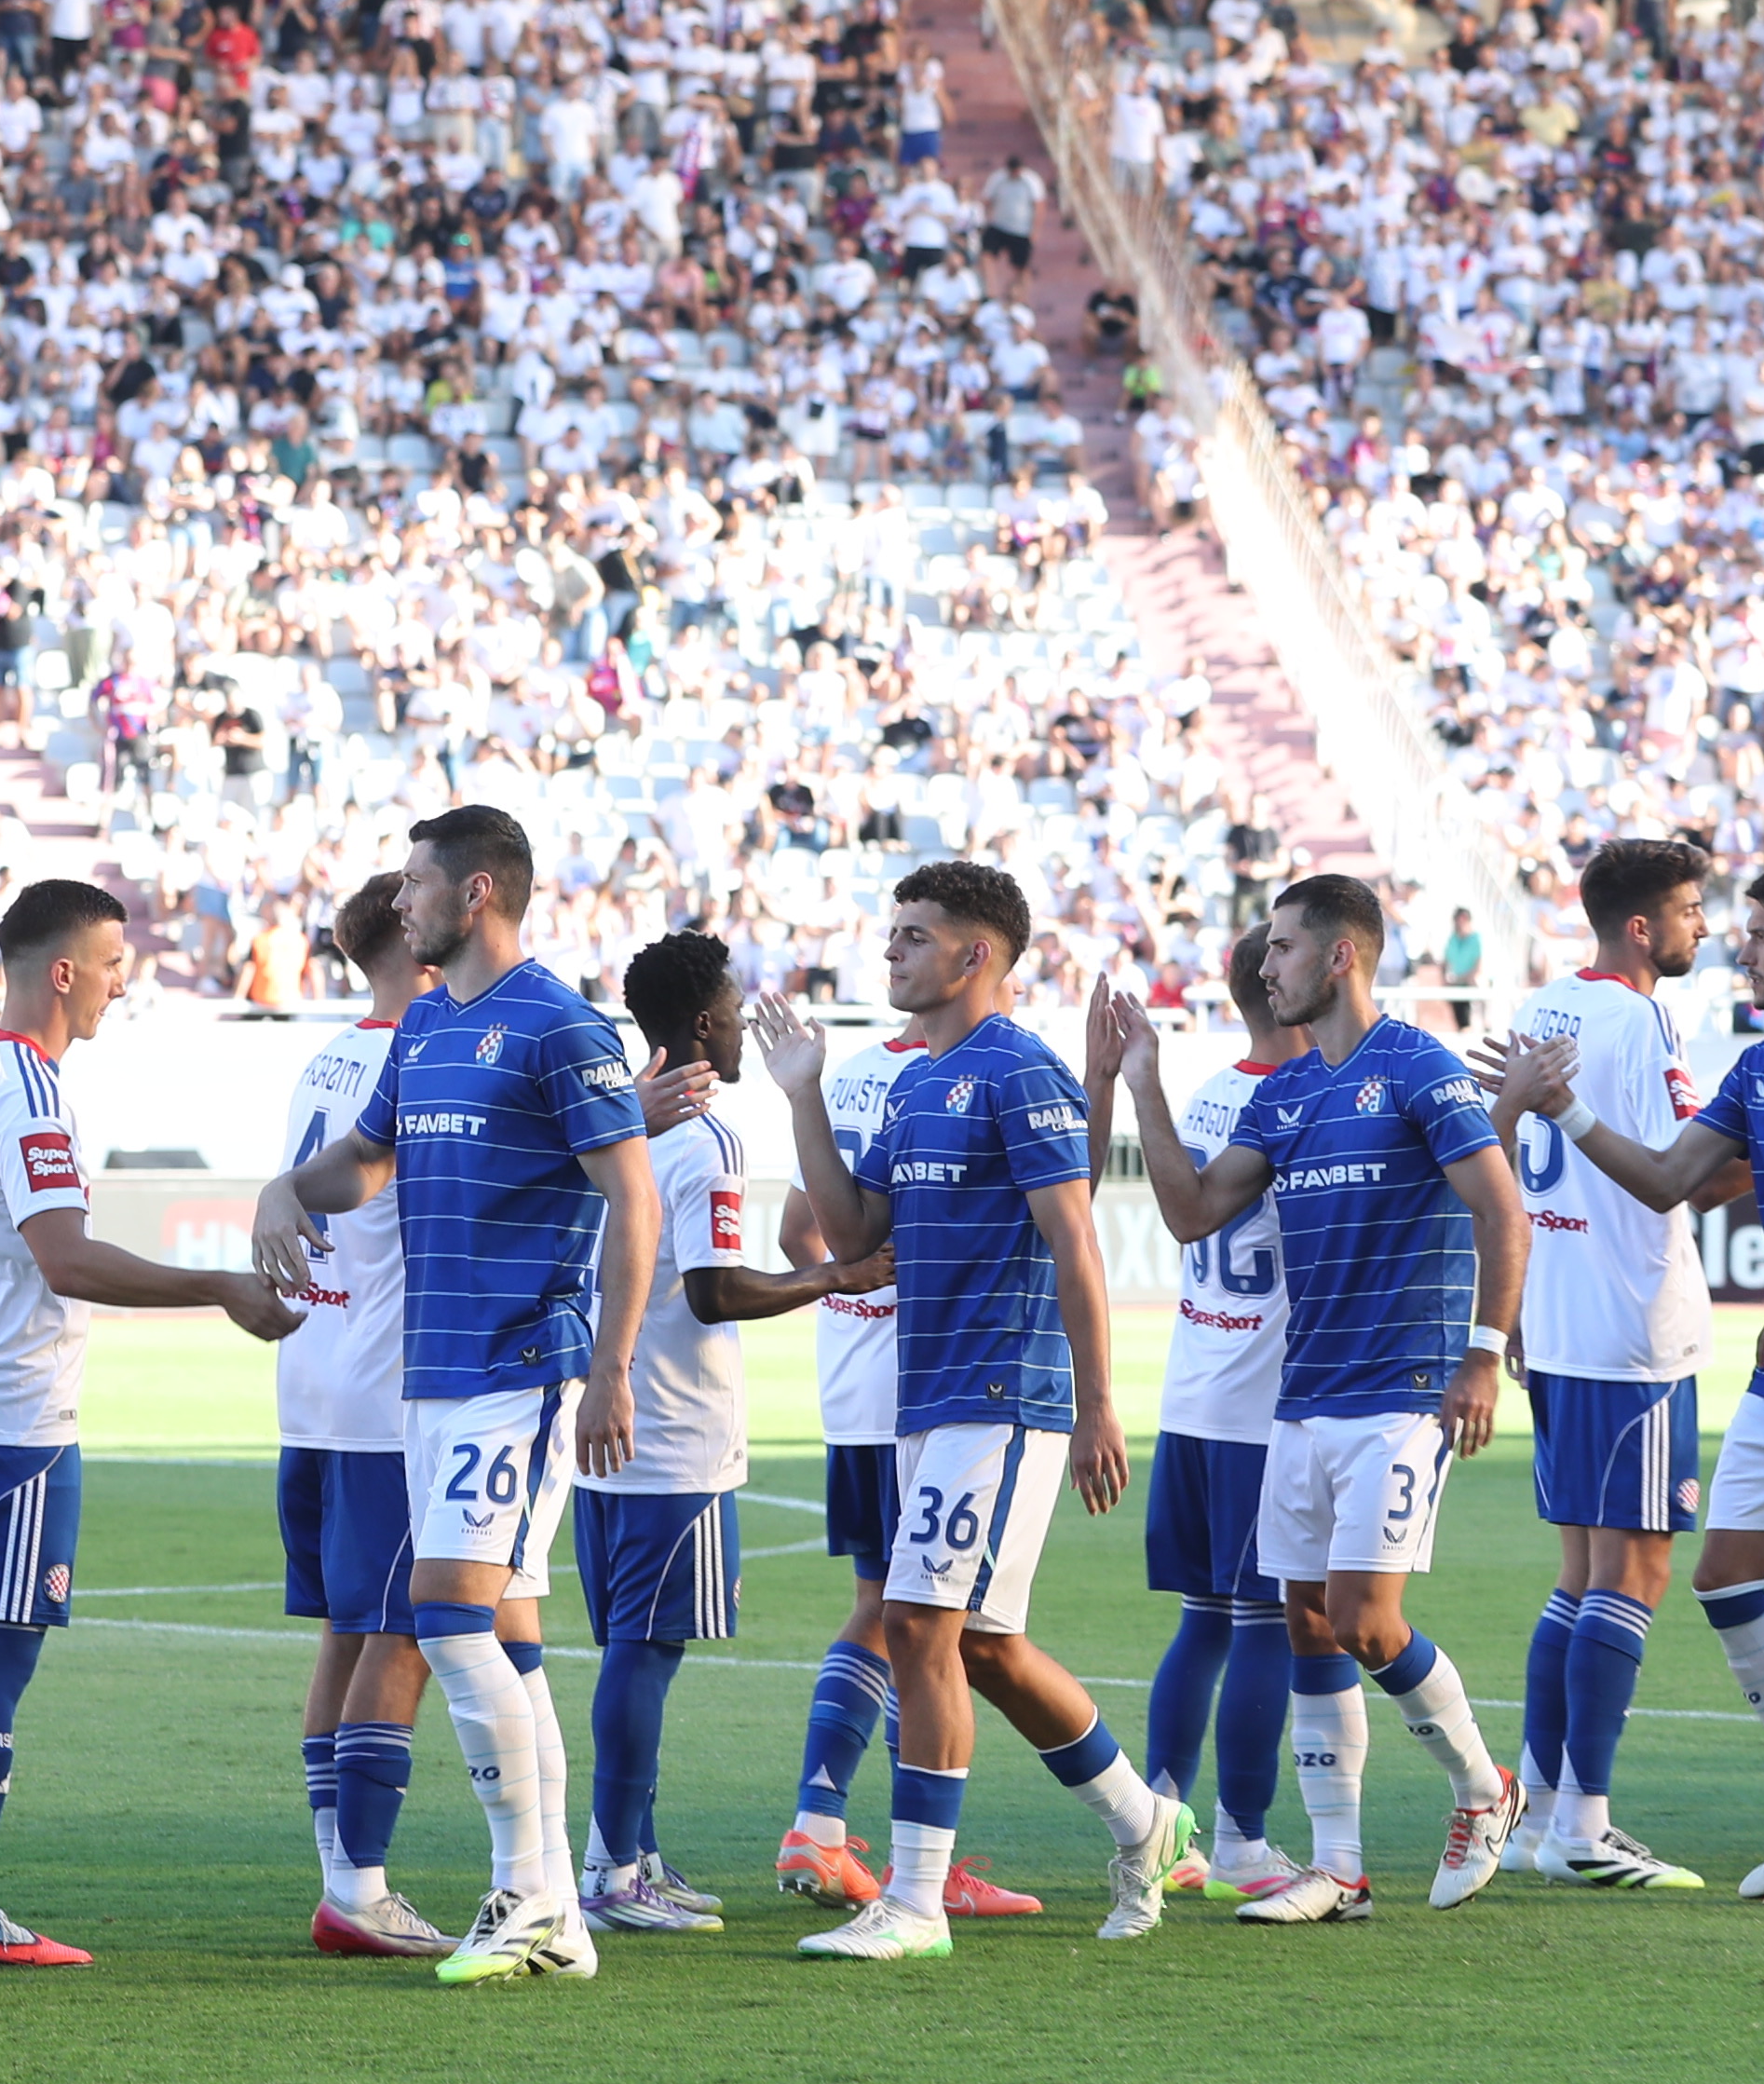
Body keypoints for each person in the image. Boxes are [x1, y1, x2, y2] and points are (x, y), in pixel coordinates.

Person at [1486, 862, 1764, 1910]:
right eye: (1730, 925)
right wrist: (1564, 1110)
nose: (1744, 946)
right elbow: (1667, 1178)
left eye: (1763, 933)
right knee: (1719, 1577)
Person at [751, 861, 1191, 1957]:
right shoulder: (911, 1083)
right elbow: (853, 1240)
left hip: (1002, 1394)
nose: (890, 950)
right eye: (891, 932)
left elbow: (1076, 1238)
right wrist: (803, 1094)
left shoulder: (1019, 1072)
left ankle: (912, 1902)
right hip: (931, 1396)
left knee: (917, 1627)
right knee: (984, 1649)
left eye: (912, 934)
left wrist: (1098, 1406)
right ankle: (1147, 1825)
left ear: (975, 954)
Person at [252, 808, 662, 1982]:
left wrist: (613, 1366)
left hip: (518, 1366)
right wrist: (290, 1188)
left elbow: (633, 1200)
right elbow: (367, 1161)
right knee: (509, 1647)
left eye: (421, 883)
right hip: (425, 1383)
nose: (404, 902)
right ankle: (559, 1919)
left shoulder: (559, 1024)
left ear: (477, 893)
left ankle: (528, 1895)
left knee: (444, 1618)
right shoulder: (427, 1020)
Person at [1103, 874, 1534, 1924]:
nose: (1268, 967)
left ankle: (1487, 1788)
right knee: (1302, 1620)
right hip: (1301, 1399)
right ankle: (1337, 1871)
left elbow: (1501, 1211)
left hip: (1402, 1392)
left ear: (1341, 956)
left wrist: (1482, 1356)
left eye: (1286, 949)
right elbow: (1194, 1212)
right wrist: (1144, 1084)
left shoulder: (1417, 1065)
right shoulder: (1284, 1095)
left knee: (1363, 1620)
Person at [0, 880, 300, 1970]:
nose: (128, 982)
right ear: (65, 970)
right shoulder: (27, 1088)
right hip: (11, 1412)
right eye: (116, 962)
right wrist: (220, 1285)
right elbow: (65, 1256)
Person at [588, 931, 855, 1927]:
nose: (745, 1027)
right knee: (647, 1653)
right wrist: (833, 1275)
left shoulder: (612, 1127)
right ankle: (614, 1871)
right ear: (703, 1024)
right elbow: (715, 1292)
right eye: (737, 1013)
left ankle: (632, 1857)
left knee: (629, 1646)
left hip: (608, 1422)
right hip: (677, 1429)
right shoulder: (704, 1137)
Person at [1486, 838, 1722, 1891]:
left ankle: (1539, 1812)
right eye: (1688, 909)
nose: (1702, 927)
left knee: (1580, 1577)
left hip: (1558, 1319)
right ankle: (1584, 1824)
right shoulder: (1641, 1018)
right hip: (1634, 1325)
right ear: (1642, 926)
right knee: (1636, 1571)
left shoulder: (1542, 1009)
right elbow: (1680, 1167)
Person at [1092, 924, 1313, 1905]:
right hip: (1267, 1399)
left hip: (1192, 1389)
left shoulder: (1218, 1093)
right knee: (1267, 1620)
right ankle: (1242, 1839)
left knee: (1204, 1619)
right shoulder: (1301, 1100)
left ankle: (1167, 1817)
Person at [265, 874, 449, 1962]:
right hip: (385, 1394)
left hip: (314, 1384)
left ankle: (343, 1870)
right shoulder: (413, 1059)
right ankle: (360, 1886)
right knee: (402, 1632)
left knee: (348, 1630)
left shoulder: (326, 1055)